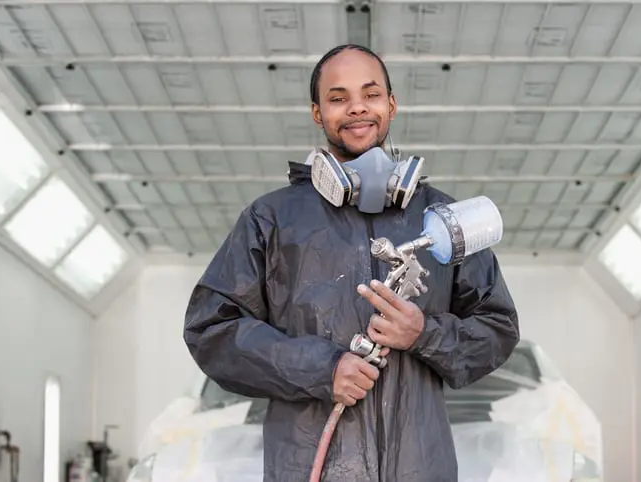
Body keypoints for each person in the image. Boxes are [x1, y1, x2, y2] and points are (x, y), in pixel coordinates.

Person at [183, 44, 520, 482]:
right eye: (338, 98)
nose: (357, 107)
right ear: (317, 113)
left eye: (371, 93)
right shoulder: (271, 220)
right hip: (309, 468)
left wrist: (425, 334)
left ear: (392, 104)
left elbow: (498, 327)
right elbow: (212, 328)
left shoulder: (445, 220)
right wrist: (323, 369)